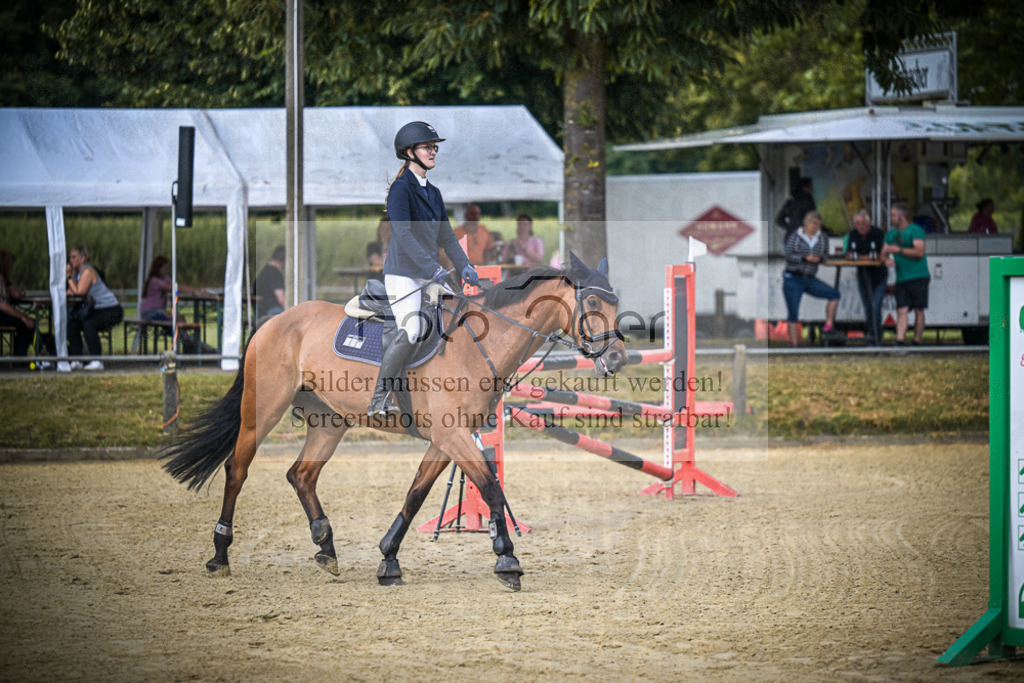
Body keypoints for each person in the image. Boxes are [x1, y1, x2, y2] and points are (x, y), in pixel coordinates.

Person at [367, 121, 479, 418]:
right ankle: (380, 396)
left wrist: (464, 264)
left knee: (458, 316)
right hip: (403, 274)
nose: (433, 151)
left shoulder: (434, 192)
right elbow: (403, 236)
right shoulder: (400, 191)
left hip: (429, 274)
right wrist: (434, 269)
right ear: (409, 152)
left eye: (434, 147)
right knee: (413, 328)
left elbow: (446, 237)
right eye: (428, 147)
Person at [782, 211, 840, 347]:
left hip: (810, 277)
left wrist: (819, 259)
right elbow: (788, 255)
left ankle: (828, 326)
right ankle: (794, 343)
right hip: (793, 276)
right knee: (793, 311)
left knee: (834, 294)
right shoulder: (796, 236)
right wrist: (804, 258)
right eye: (814, 224)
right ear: (807, 223)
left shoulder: (822, 237)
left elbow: (826, 255)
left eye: (819, 225)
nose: (816, 227)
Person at [66, 245, 124, 370]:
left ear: (83, 258)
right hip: (97, 309)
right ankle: (76, 359)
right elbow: (74, 291)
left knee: (89, 324)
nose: (71, 260)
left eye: (74, 257)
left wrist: (69, 277)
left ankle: (97, 360)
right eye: (70, 257)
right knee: (73, 324)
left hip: (112, 310)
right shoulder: (78, 274)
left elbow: (79, 292)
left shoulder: (87, 271)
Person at [138, 255, 209, 353]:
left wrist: (194, 291)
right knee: (176, 319)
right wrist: (196, 291)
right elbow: (174, 289)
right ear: (158, 269)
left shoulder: (164, 279)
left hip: (158, 312)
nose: (166, 271)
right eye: (165, 269)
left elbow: (177, 286)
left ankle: (188, 342)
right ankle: (189, 343)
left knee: (180, 318)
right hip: (149, 313)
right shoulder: (154, 281)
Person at [882, 202, 929, 346]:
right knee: (901, 309)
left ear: (902, 216)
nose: (890, 218)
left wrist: (899, 250)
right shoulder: (891, 234)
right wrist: (885, 260)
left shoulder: (915, 230)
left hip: (919, 276)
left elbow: (920, 252)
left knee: (918, 310)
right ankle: (900, 340)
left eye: (893, 215)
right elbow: (883, 252)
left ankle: (916, 341)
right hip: (901, 278)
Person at [845, 210, 887, 346]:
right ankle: (872, 339)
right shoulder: (853, 234)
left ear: (869, 223)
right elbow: (849, 255)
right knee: (868, 309)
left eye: (863, 223)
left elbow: (881, 256)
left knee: (875, 307)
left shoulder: (878, 233)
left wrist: (860, 257)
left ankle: (876, 340)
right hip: (863, 277)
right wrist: (867, 257)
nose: (860, 226)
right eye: (857, 223)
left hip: (879, 277)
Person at [0, 249, 35, 357]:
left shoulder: (4, 280)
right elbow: (3, 305)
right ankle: (19, 358)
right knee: (26, 324)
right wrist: (22, 317)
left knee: (24, 323)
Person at [253, 245, 286, 317]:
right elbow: (281, 299)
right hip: (273, 311)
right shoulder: (275, 274)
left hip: (261, 312)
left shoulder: (264, 272)